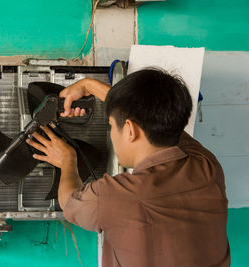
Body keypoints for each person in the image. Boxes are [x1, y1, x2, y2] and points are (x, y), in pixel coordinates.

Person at [26, 68, 230, 267]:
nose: (112, 132)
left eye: (111, 125)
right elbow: (162, 121)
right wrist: (88, 86)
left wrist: (68, 161)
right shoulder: (207, 168)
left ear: (130, 130)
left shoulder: (116, 196)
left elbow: (70, 204)